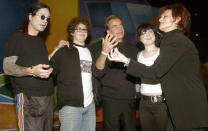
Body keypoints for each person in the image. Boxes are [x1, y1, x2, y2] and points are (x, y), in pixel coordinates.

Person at [108, 3, 208, 131]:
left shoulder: (176, 41)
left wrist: (125, 60)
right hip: (178, 109)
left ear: (176, 19)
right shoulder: (170, 40)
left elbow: (154, 73)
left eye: (165, 16)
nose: (159, 19)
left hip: (188, 109)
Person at [2, 2, 68, 131]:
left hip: (47, 98)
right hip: (28, 98)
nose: (45, 21)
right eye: (42, 17)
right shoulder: (16, 37)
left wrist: (57, 49)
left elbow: (43, 63)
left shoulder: (40, 41)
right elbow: (8, 67)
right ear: (30, 16)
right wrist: (32, 71)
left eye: (48, 19)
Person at [49, 16, 98, 131]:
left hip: (90, 105)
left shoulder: (91, 51)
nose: (82, 32)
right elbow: (49, 69)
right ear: (72, 32)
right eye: (79, 29)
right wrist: (56, 48)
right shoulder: (63, 51)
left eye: (85, 29)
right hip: (70, 106)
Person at [93, 14, 139, 131]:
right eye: (115, 26)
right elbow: (97, 73)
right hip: (110, 99)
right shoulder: (103, 47)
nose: (120, 28)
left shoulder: (133, 48)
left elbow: (140, 72)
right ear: (108, 31)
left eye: (121, 25)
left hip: (130, 99)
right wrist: (104, 52)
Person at [133, 22, 168, 131]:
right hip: (144, 104)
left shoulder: (163, 53)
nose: (147, 34)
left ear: (155, 34)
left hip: (161, 103)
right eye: (143, 33)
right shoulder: (138, 56)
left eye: (150, 31)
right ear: (139, 38)